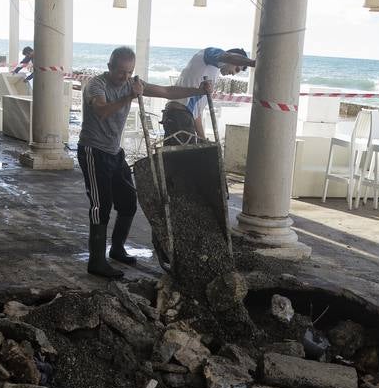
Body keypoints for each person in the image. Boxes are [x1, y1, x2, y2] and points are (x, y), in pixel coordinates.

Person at [79, 46, 211, 279]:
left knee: (128, 202)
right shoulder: (96, 85)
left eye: (130, 72)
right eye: (121, 72)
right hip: (93, 150)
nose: (126, 78)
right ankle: (96, 261)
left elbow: (167, 91)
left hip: (114, 151)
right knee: (101, 205)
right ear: (110, 67)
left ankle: (117, 249)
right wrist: (129, 95)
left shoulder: (133, 83)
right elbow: (101, 110)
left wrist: (198, 90)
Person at [162, 46, 255, 142]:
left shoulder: (212, 72)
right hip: (179, 114)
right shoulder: (208, 54)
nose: (234, 74)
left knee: (179, 156)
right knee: (186, 156)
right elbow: (227, 57)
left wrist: (202, 138)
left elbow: (196, 112)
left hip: (181, 115)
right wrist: (254, 63)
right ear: (233, 58)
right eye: (237, 69)